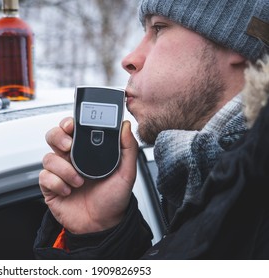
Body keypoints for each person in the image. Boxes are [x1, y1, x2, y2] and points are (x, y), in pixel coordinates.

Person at [34, 0, 269, 259]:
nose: (129, 60)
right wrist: (98, 232)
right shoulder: (202, 185)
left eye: (159, 28)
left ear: (235, 41)